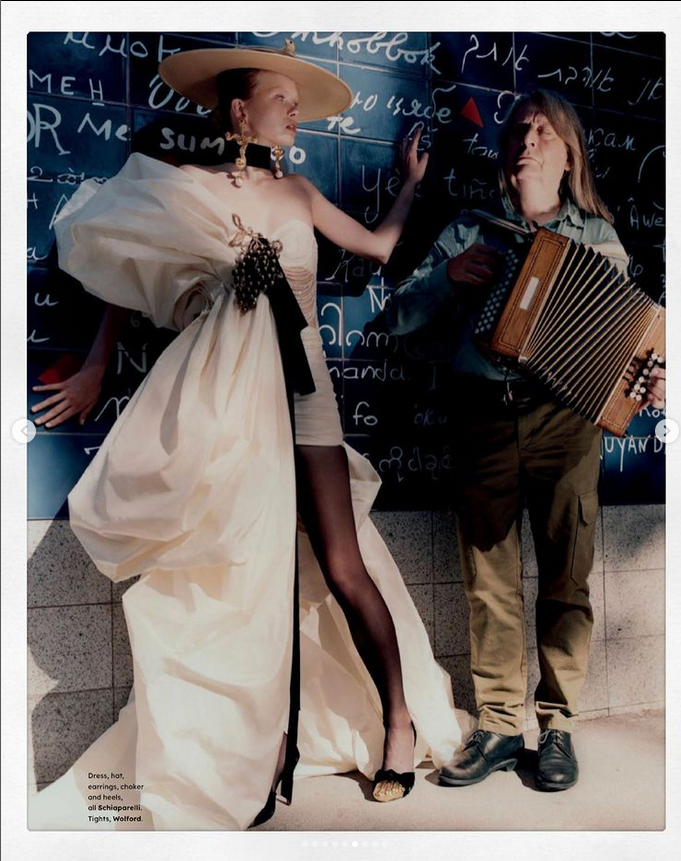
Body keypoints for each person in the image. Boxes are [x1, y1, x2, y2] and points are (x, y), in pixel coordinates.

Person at [29, 42, 465, 831]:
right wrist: (96, 364)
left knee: (342, 563)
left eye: (297, 103)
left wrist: (409, 184)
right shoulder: (186, 187)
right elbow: (125, 268)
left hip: (305, 393)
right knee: (241, 574)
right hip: (229, 400)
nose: (294, 112)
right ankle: (252, 750)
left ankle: (399, 721)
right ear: (239, 111)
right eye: (280, 99)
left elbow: (377, 247)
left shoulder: (298, 190)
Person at [388, 89, 665, 792]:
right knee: (489, 580)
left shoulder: (600, 239)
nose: (528, 140)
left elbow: (635, 344)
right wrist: (447, 278)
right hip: (481, 415)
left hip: (565, 423)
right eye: (518, 130)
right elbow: (400, 319)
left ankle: (559, 725)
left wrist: (651, 379)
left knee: (566, 575)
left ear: (568, 155)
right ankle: (501, 725)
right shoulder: (469, 231)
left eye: (544, 131)